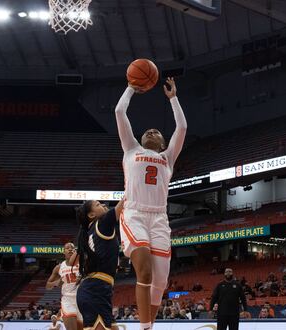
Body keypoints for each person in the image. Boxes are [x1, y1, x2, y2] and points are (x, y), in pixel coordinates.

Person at [115, 77, 186, 330]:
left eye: (156, 132)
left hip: (159, 218)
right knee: (144, 272)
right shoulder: (131, 149)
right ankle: (145, 328)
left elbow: (182, 128)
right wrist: (132, 88)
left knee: (160, 282)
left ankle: (149, 324)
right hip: (134, 213)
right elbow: (120, 111)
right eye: (148, 131)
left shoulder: (167, 157)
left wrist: (173, 99)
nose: (151, 131)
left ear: (163, 143)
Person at [75, 200, 123, 330]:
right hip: (95, 290)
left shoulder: (90, 231)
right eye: (98, 205)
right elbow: (124, 203)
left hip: (96, 289)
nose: (103, 205)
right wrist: (133, 184)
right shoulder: (102, 224)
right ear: (91, 215)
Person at [46, 242, 82, 330]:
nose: (70, 249)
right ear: (64, 252)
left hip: (82, 299)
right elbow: (47, 286)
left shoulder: (83, 264)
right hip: (68, 300)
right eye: (67, 248)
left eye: (72, 248)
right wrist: (56, 283)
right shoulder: (59, 267)